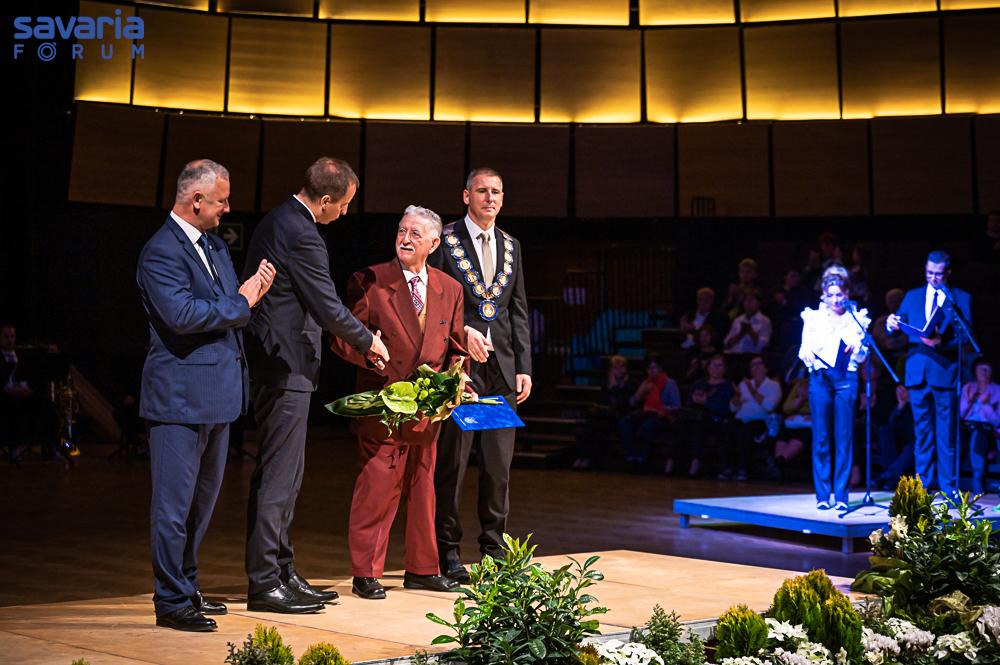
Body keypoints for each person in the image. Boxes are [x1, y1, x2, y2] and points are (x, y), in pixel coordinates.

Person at [242, 157, 390, 614]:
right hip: (285, 364)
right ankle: (265, 582)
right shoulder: (302, 232)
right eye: (343, 205)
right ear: (325, 200)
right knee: (279, 476)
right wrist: (368, 341)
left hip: (281, 363)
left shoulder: (278, 218)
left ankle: (282, 570)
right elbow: (326, 305)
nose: (344, 213)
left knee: (287, 475)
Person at [137, 159, 275, 631]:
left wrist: (245, 299)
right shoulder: (160, 252)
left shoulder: (214, 244)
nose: (227, 209)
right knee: (173, 507)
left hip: (218, 395)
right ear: (196, 200)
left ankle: (188, 586)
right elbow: (183, 315)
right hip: (178, 399)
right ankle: (170, 601)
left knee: (201, 505)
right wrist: (243, 300)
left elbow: (227, 307)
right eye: (221, 200)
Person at [330, 206, 468, 600]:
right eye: (401, 231)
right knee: (377, 488)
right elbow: (342, 338)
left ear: (434, 244)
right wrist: (368, 355)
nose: (405, 239)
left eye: (415, 234)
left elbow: (457, 347)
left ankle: (423, 569)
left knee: (424, 490)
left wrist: (456, 381)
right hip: (384, 404)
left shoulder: (450, 288)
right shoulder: (371, 281)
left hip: (427, 410)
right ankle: (366, 572)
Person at [430, 167, 531, 583]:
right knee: (453, 465)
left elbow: (517, 310)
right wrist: (459, 333)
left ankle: (495, 553)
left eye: (496, 192)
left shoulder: (511, 245)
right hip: (462, 371)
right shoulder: (445, 240)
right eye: (482, 191)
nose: (490, 198)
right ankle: (448, 553)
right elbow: (434, 303)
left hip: (500, 371)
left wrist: (523, 366)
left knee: (496, 468)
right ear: (466, 196)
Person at [886, 250, 973, 496]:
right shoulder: (912, 296)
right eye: (929, 273)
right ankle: (922, 487)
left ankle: (948, 488)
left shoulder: (960, 298)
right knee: (922, 432)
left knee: (946, 435)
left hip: (944, 371)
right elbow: (899, 322)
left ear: (948, 273)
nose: (933, 278)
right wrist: (891, 324)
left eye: (938, 274)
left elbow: (966, 335)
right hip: (917, 372)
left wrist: (942, 342)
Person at [799, 272, 868, 510]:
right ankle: (822, 495)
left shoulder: (856, 318)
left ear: (847, 294)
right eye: (831, 295)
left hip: (846, 379)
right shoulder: (814, 318)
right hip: (821, 378)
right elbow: (804, 348)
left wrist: (856, 347)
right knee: (821, 437)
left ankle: (841, 496)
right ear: (824, 296)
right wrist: (807, 354)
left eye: (840, 294)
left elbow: (862, 356)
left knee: (844, 437)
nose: (836, 299)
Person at [718, 355, 781, 482]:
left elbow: (769, 407)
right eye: (753, 365)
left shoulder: (773, 385)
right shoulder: (743, 384)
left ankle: (743, 468)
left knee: (746, 430)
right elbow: (733, 409)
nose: (756, 367)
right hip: (740, 419)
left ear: (766, 368)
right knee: (728, 427)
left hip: (760, 421)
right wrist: (736, 399)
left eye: (759, 364)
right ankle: (729, 467)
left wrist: (753, 391)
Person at [573, 355, 636, 470]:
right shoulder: (607, 384)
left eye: (621, 367)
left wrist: (614, 387)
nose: (618, 370)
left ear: (625, 369)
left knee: (598, 427)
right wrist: (610, 387)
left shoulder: (630, 384)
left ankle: (588, 458)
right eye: (615, 367)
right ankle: (583, 457)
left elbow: (622, 404)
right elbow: (602, 400)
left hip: (620, 418)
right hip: (606, 416)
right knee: (589, 428)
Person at [618, 356, 680, 472]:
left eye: (653, 368)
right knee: (625, 421)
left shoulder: (670, 383)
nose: (651, 371)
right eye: (648, 368)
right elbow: (631, 403)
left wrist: (663, 408)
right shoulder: (646, 383)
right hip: (646, 414)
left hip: (663, 416)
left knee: (648, 424)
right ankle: (631, 456)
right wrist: (640, 393)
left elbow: (676, 406)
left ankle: (642, 458)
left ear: (660, 368)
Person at [684, 354, 735, 477]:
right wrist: (694, 399)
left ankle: (695, 462)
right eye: (713, 364)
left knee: (700, 422)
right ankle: (673, 463)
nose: (716, 368)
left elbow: (725, 408)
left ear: (725, 369)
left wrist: (706, 402)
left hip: (716, 419)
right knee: (681, 423)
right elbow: (688, 403)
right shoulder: (699, 383)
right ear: (708, 367)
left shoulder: (727, 386)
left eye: (719, 365)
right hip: (695, 416)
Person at [960, 357, 1000, 494]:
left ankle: (977, 478)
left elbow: (997, 421)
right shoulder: (968, 387)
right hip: (967, 427)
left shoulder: (997, 390)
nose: (984, 373)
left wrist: (986, 404)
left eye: (987, 370)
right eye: (981, 370)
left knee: (978, 433)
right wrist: (970, 400)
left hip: (987, 429)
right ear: (975, 372)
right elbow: (961, 414)